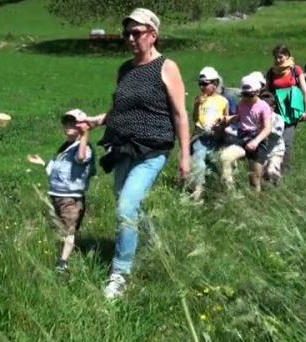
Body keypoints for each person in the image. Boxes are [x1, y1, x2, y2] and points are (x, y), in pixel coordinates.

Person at [83, 8, 190, 299]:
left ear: (153, 35)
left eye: (137, 32)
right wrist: (97, 120)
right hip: (123, 147)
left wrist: (185, 155)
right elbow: (121, 109)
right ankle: (153, 243)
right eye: (127, 33)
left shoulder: (167, 67)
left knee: (126, 209)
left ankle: (120, 274)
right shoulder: (125, 70)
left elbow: (180, 114)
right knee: (128, 205)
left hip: (153, 149)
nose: (130, 38)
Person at [27, 109, 96, 273]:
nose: (67, 126)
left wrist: (85, 136)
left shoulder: (83, 148)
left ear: (81, 126)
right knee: (65, 229)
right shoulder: (65, 148)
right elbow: (58, 171)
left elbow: (81, 158)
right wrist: (43, 163)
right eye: (66, 122)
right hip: (58, 196)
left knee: (69, 231)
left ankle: (62, 264)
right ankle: (74, 251)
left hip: (70, 198)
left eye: (73, 123)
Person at [220, 75, 272, 192]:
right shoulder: (242, 103)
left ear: (257, 92)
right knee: (225, 157)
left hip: (258, 140)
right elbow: (240, 117)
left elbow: (267, 128)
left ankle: (256, 202)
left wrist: (256, 141)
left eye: (249, 95)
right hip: (243, 137)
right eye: (244, 95)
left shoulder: (264, 107)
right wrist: (229, 119)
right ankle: (231, 192)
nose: (247, 98)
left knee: (254, 178)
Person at [265, 44, 306, 176]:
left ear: (287, 56)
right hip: (276, 111)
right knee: (273, 139)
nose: (278, 60)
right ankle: (271, 168)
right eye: (276, 57)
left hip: (291, 111)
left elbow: (305, 91)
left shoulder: (295, 70)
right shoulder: (271, 72)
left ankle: (283, 171)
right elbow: (267, 92)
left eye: (281, 57)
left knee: (286, 141)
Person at [189, 66, 229, 200]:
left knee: (213, 162)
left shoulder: (223, 101)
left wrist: (222, 123)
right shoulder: (199, 99)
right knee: (198, 162)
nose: (202, 87)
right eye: (200, 84)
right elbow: (195, 119)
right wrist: (196, 105)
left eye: (205, 84)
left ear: (215, 83)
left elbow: (226, 119)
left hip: (215, 137)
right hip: (201, 136)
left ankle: (214, 191)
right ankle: (197, 191)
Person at [259, 92, 285, 184]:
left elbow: (277, 133)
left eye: (267, 108)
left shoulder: (278, 118)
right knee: (262, 174)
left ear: (273, 107)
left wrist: (264, 130)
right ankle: (266, 191)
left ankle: (278, 185)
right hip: (263, 152)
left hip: (276, 151)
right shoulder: (258, 118)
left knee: (272, 171)